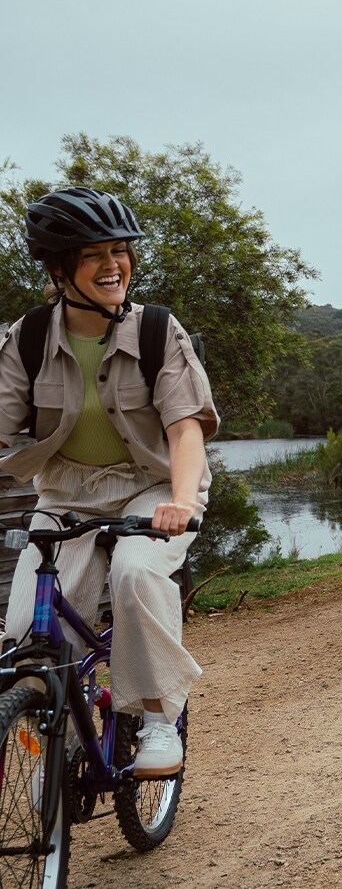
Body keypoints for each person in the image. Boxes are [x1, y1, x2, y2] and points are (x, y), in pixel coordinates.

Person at [0, 187, 219, 777]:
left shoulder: (157, 332)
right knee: (26, 631)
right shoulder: (28, 338)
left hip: (155, 484)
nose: (113, 265)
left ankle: (156, 718)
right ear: (58, 268)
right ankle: (63, 737)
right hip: (67, 491)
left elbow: (186, 429)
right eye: (93, 254)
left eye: (120, 251)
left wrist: (178, 500)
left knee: (135, 571)